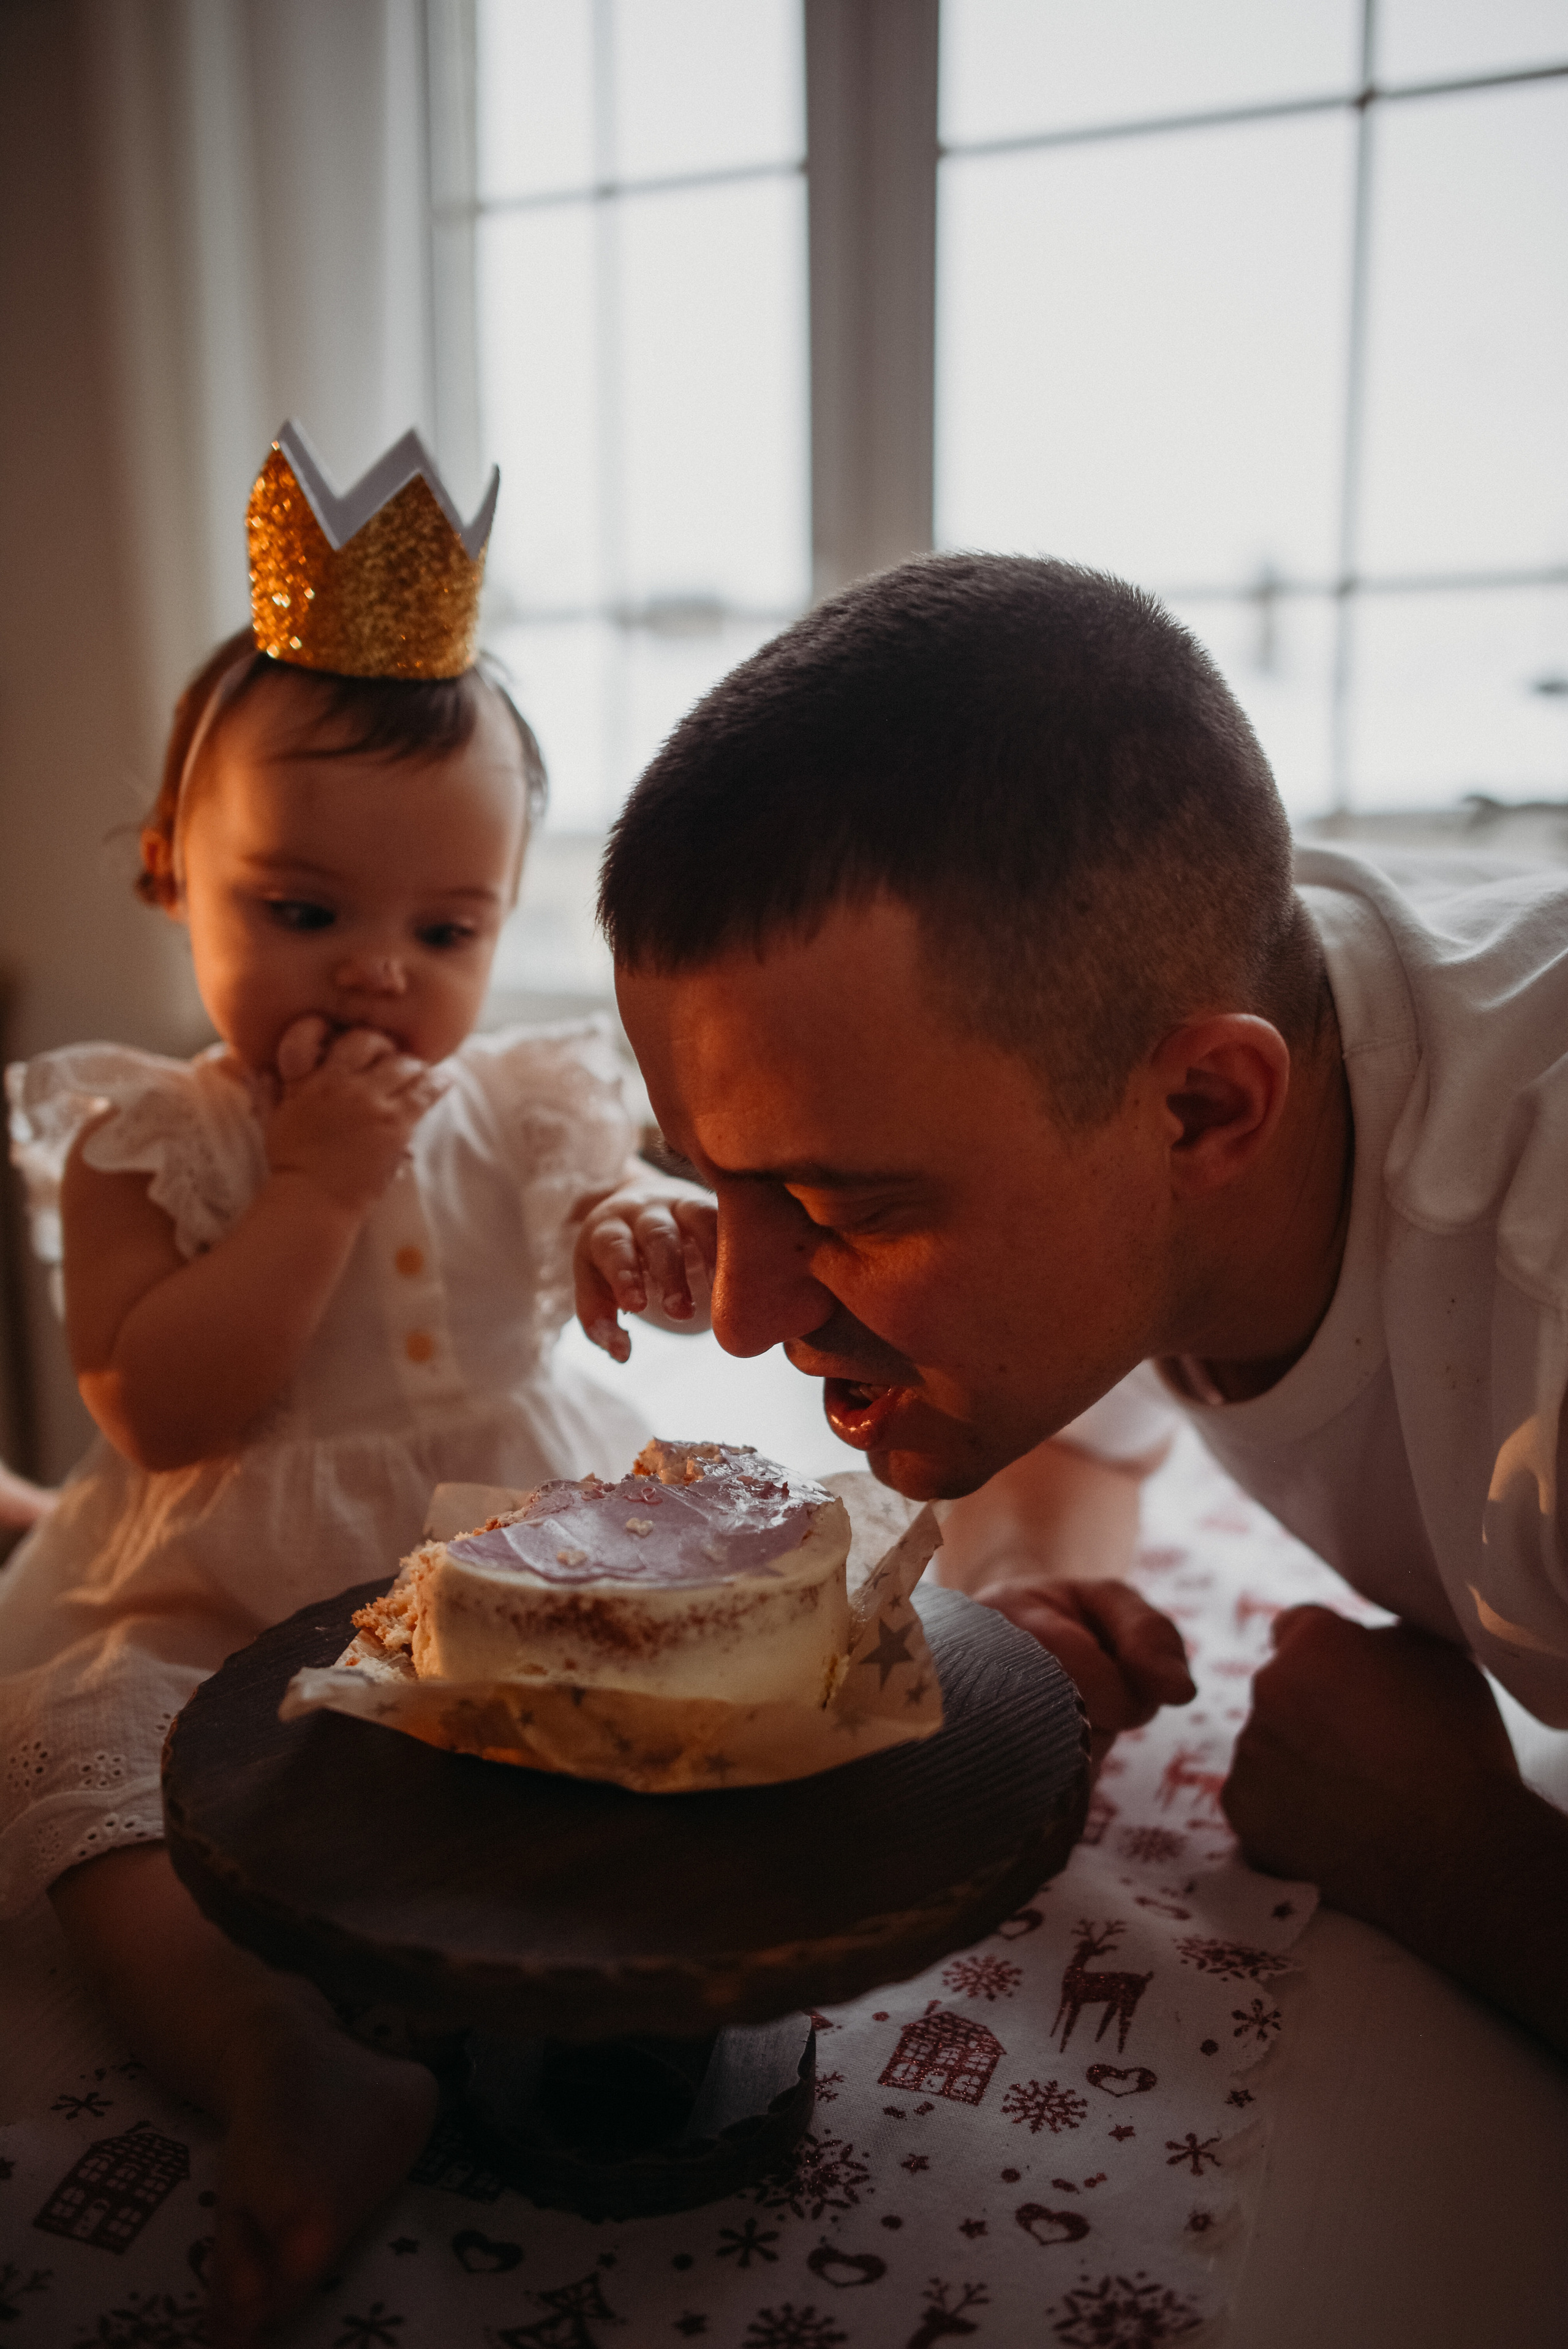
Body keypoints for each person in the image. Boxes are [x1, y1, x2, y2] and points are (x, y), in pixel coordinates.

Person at [575, 552, 1568, 2062]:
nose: (739, 1319)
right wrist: (1038, 1597)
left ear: (1200, 1107)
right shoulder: (1175, 1046)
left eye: (843, 1208)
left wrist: (1458, 1855)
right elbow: (1067, 1411)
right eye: (710, 1184)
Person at [0, 425, 660, 2342]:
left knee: (675, 1694)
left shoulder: (530, 1090)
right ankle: (278, 2053)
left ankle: (589, 1986)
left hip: (508, 1561)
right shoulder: (149, 1141)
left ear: (505, 914)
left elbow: (599, 1192)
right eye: (302, 913)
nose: (378, 977)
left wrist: (631, 1229)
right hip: (229, 1617)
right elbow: (164, 1413)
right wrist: (305, 1196)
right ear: (167, 871)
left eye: (443, 931)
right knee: (74, 1757)